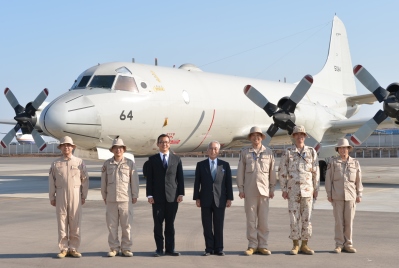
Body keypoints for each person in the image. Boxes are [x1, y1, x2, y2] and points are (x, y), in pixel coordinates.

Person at [278, 125, 319, 255]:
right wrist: (284, 189)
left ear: (305, 137)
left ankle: (305, 244)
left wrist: (316, 188)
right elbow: (282, 171)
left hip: (308, 190)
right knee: (294, 218)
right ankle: (295, 244)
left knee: (307, 218)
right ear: (294, 136)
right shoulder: (288, 152)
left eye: (302, 135)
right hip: (293, 190)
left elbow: (315, 172)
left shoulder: (312, 152)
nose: (300, 137)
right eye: (297, 134)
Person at [236, 126, 276, 256]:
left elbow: (272, 172)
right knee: (251, 220)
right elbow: (240, 172)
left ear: (262, 138)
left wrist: (272, 188)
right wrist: (241, 189)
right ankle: (252, 245)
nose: (256, 137)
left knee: (263, 220)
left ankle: (263, 245)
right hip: (250, 191)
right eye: (253, 135)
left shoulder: (268, 152)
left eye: (258, 135)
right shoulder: (245, 152)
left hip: (264, 191)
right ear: (250, 138)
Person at [49, 136, 89, 258]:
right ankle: (63, 249)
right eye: (64, 145)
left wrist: (83, 195)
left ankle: (74, 248)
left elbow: (85, 180)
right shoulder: (56, 163)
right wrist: (52, 197)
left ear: (72, 147)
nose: (66, 147)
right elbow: (51, 181)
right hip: (61, 195)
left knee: (75, 222)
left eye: (69, 145)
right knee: (62, 222)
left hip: (75, 195)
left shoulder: (79, 162)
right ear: (61, 147)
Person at [146, 134, 185, 257]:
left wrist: (181, 193)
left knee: (170, 224)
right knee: (158, 225)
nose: (164, 144)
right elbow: (149, 179)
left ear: (170, 144)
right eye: (162, 142)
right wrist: (149, 195)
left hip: (172, 197)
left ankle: (170, 249)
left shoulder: (176, 159)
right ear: (158, 144)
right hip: (157, 198)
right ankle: (159, 249)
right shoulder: (152, 160)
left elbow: (180, 178)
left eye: (167, 142)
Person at [193, 141, 234, 256]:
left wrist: (229, 198)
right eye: (210, 148)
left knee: (219, 225)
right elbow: (197, 183)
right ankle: (209, 248)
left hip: (220, 199)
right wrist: (197, 197)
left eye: (215, 149)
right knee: (206, 225)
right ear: (207, 150)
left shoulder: (224, 165)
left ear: (218, 150)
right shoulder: (201, 165)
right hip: (205, 199)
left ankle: (219, 248)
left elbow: (228, 183)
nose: (213, 151)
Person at [101, 138, 139, 257]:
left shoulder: (129, 163)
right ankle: (114, 248)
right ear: (112, 150)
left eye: (120, 148)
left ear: (124, 150)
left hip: (125, 199)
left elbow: (134, 181)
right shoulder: (107, 164)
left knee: (126, 225)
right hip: (111, 199)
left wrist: (134, 195)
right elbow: (104, 182)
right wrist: (104, 195)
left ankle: (126, 248)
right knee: (112, 226)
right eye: (116, 148)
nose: (118, 150)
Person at [325, 138, 363, 253]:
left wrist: (359, 193)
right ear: (338, 150)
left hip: (351, 196)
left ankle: (348, 244)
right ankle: (339, 244)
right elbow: (328, 179)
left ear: (348, 149)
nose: (343, 150)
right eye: (340, 148)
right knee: (339, 222)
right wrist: (329, 194)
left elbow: (358, 179)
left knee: (349, 221)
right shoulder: (333, 162)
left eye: (345, 148)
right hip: (337, 196)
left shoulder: (355, 162)